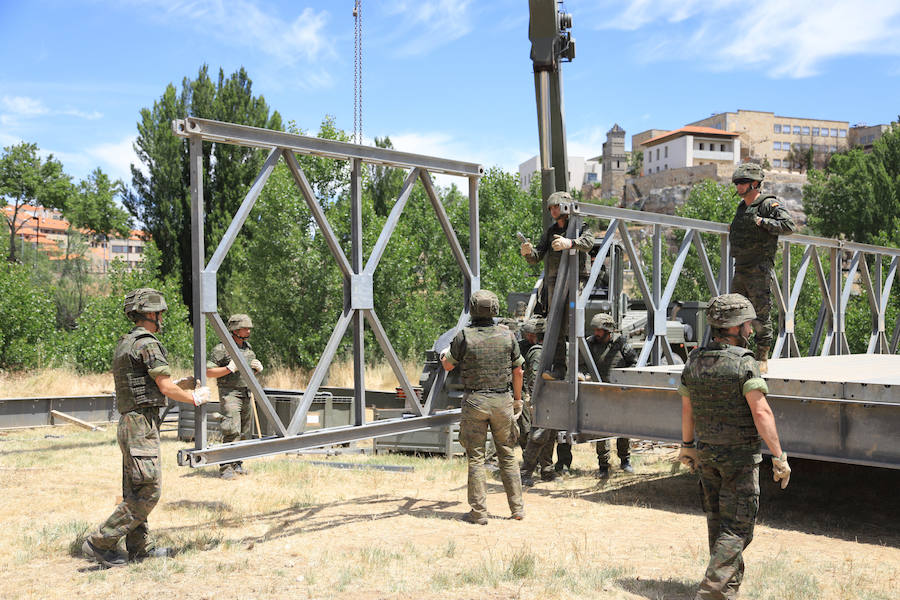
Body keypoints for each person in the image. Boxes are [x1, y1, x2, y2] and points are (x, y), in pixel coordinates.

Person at [82, 288, 211, 568]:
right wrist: (193, 397)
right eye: (160, 313)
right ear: (151, 314)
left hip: (130, 422)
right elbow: (164, 387)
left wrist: (180, 385)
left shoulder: (126, 343)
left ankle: (139, 548)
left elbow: (149, 384)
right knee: (149, 490)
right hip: (141, 424)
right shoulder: (148, 343)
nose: (162, 317)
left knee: (135, 490)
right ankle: (100, 542)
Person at [678, 293, 792, 600]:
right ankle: (712, 592)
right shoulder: (744, 363)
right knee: (738, 527)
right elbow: (761, 412)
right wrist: (779, 456)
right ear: (736, 327)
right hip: (738, 458)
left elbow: (687, 410)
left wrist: (687, 446)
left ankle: (727, 590)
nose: (752, 330)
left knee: (718, 523)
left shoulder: (694, 362)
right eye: (748, 324)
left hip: (706, 454)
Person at [441, 290, 525, 524]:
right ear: (495, 310)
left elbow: (448, 365)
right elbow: (518, 371)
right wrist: (517, 399)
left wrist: (443, 355)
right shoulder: (508, 336)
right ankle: (517, 509)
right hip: (502, 401)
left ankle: (479, 513)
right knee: (507, 455)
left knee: (476, 458)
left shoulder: (464, 336)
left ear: (472, 309)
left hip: (475, 401)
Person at [728, 163, 795, 373]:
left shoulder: (768, 204)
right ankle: (737, 353)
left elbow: (789, 226)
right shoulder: (742, 208)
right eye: (737, 182)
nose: (738, 187)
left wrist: (763, 222)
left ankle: (762, 357)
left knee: (760, 313)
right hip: (740, 267)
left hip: (759, 268)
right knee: (736, 311)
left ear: (755, 183)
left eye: (743, 182)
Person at [520, 191, 595, 380]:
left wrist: (570, 242)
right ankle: (560, 369)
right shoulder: (551, 231)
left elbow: (588, 243)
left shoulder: (580, 226)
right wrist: (528, 252)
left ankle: (579, 369)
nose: (553, 211)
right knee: (557, 324)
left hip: (576, 276)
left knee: (573, 321)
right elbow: (537, 257)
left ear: (565, 207)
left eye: (556, 207)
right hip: (555, 280)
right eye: (551, 208)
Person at [206, 313, 264, 479]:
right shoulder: (221, 349)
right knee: (231, 429)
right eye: (244, 328)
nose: (248, 331)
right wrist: (228, 369)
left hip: (246, 392)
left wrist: (256, 369)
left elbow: (246, 372)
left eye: (248, 328)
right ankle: (226, 468)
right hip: (230, 393)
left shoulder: (247, 348)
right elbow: (208, 371)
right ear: (235, 330)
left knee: (245, 431)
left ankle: (237, 463)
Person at [581, 313, 638, 478]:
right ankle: (603, 465)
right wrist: (585, 375)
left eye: (600, 330)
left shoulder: (621, 344)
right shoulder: (590, 344)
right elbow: (582, 364)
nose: (596, 333)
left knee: (623, 428)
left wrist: (625, 380)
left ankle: (625, 460)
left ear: (608, 331)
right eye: (595, 330)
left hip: (619, 393)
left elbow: (633, 363)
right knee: (601, 430)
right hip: (599, 393)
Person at [519, 318, 559, 487]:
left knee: (549, 436)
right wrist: (537, 400)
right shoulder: (537, 352)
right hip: (540, 399)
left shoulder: (546, 350)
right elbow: (534, 379)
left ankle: (547, 470)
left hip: (548, 398)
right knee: (537, 436)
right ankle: (526, 472)